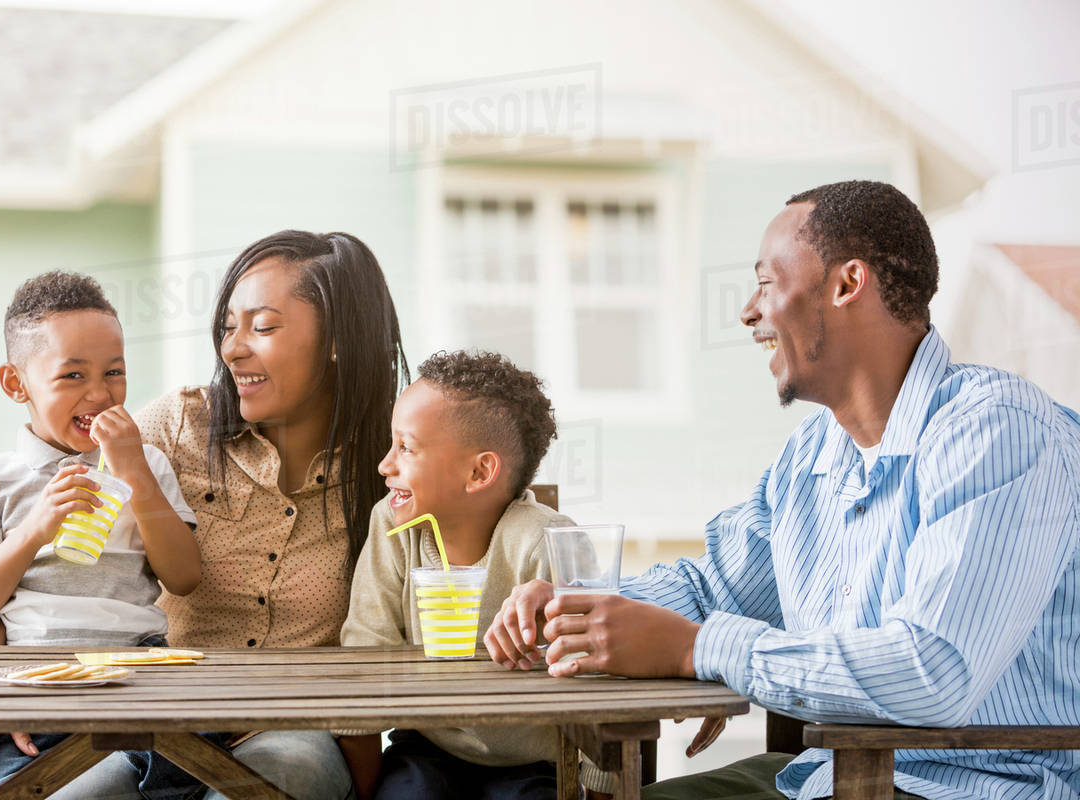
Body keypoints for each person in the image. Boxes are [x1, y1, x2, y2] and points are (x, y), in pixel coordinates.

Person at [485, 180, 1080, 800]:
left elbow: (932, 671)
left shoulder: (998, 432)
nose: (748, 311)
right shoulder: (814, 452)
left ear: (848, 285)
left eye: (766, 284)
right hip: (821, 779)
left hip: (974, 787)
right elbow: (718, 586)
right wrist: (575, 606)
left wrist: (698, 649)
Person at [133, 230, 409, 800]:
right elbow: (45, 547)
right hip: (157, 723)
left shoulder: (394, 460)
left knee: (278, 778)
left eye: (262, 327)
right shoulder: (172, 428)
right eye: (228, 327)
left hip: (297, 730)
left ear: (337, 339)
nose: (232, 349)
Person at [0, 271, 202, 798]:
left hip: (137, 677)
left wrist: (134, 473)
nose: (100, 392)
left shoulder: (147, 464)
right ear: (15, 383)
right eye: (73, 376)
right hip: (35, 688)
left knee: (183, 770)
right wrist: (31, 533)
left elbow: (183, 577)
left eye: (114, 372)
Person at [337, 350, 613, 800]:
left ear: (479, 471)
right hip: (425, 748)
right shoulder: (391, 524)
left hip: (533, 764)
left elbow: (599, 682)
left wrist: (604, 791)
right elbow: (365, 663)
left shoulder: (548, 541)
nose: (385, 465)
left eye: (405, 447)